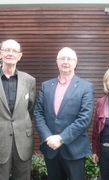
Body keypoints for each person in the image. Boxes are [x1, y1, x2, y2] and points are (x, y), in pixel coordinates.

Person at [34, 47, 94, 180]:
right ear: (57, 62)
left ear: (76, 63)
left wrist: (61, 138)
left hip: (74, 149)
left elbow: (84, 119)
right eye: (62, 58)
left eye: (69, 59)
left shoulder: (86, 87)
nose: (65, 62)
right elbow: (38, 113)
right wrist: (48, 137)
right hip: (51, 149)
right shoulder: (46, 86)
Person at [0, 39, 36, 180]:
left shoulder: (29, 80)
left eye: (14, 51)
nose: (10, 53)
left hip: (23, 141)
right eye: (7, 50)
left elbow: (30, 109)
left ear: (20, 56)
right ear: (0, 53)